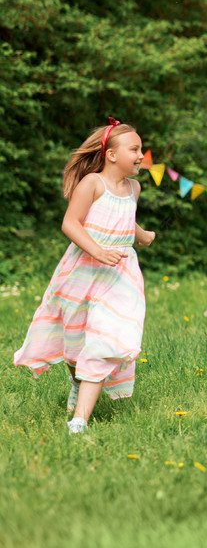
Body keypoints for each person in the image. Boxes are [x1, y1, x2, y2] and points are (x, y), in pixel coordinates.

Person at [13, 118, 156, 434]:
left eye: (141, 149)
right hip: (82, 272)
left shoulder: (134, 188)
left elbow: (120, 220)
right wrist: (98, 251)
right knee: (76, 340)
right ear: (112, 155)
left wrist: (141, 234)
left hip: (120, 275)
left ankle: (79, 421)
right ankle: (78, 381)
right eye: (134, 149)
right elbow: (72, 223)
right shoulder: (92, 183)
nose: (140, 155)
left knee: (107, 337)